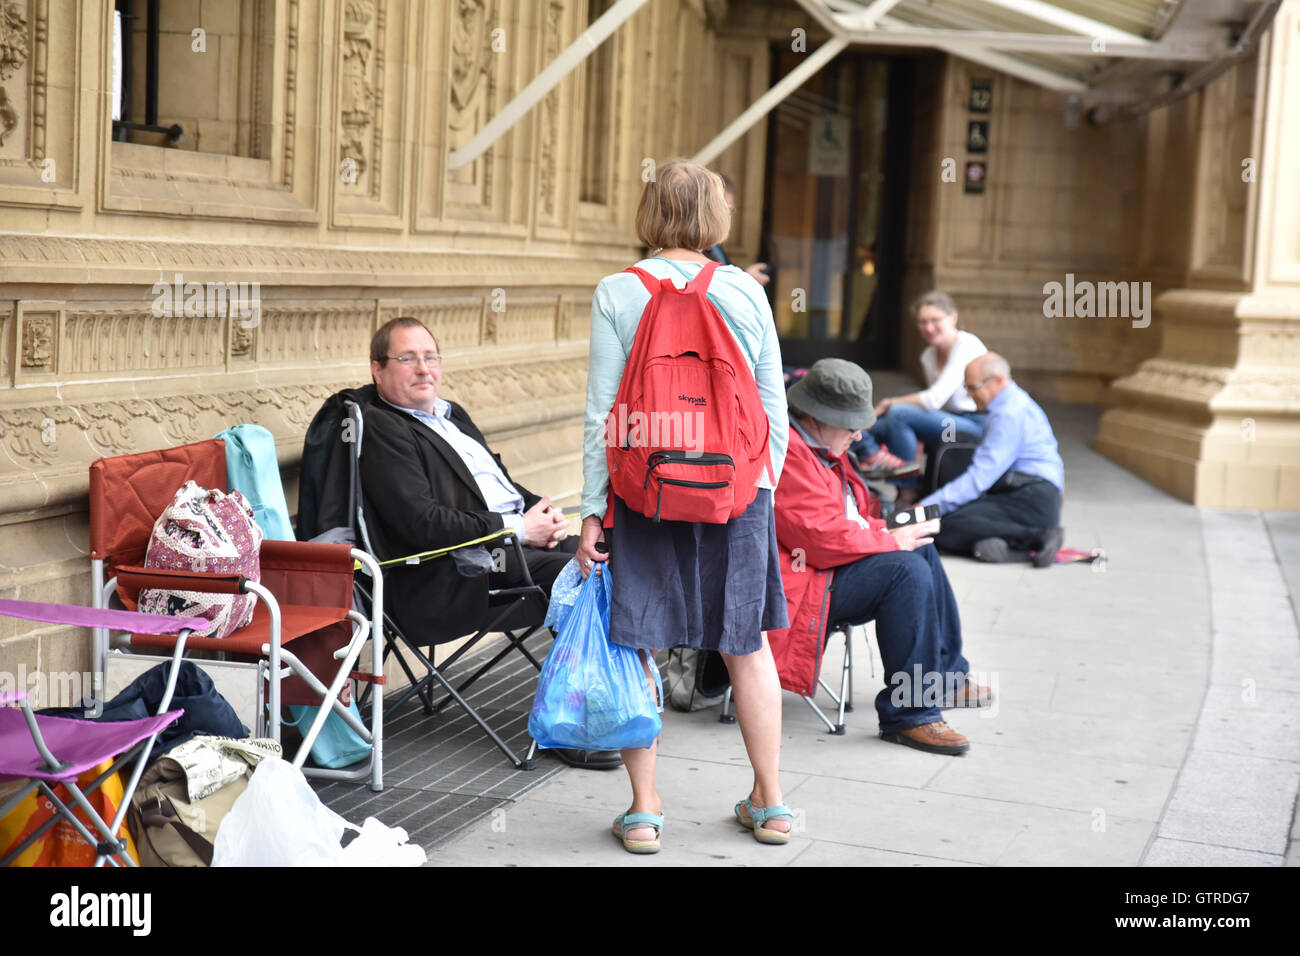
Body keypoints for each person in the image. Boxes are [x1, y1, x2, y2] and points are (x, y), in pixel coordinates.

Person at [577, 160, 792, 854]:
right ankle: (774, 802)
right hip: (737, 492)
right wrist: (761, 486)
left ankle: (644, 811)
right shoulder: (744, 291)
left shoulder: (618, 290)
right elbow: (773, 406)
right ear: (713, 217)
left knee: (639, 639)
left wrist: (592, 509)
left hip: (647, 493)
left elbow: (603, 415)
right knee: (745, 646)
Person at [359, 316, 621, 770]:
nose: (423, 369)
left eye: (430, 357)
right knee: (586, 575)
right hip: (446, 572)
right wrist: (518, 528)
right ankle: (566, 724)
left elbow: (494, 484)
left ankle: (614, 701)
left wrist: (539, 508)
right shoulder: (383, 428)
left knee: (611, 557)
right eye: (407, 359)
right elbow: (422, 524)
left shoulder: (451, 414)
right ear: (377, 370)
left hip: (508, 546)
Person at [772, 359, 990, 757]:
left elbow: (847, 520)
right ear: (816, 416)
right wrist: (889, 539)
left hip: (828, 567)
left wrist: (890, 532)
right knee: (904, 570)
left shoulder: (820, 444)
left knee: (920, 544)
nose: (858, 435)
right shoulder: (790, 450)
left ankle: (943, 677)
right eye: (850, 424)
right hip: (805, 582)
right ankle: (911, 714)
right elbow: (820, 538)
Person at [920, 353, 1065, 568]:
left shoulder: (1008, 414)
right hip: (1031, 495)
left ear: (998, 380)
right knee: (952, 520)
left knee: (943, 527)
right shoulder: (1013, 404)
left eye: (972, 387)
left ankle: (1040, 536)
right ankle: (999, 545)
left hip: (1032, 499)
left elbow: (977, 480)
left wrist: (922, 510)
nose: (968, 395)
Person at [860, 291, 989, 482]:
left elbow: (933, 399)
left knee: (899, 413)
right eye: (922, 322)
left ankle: (907, 489)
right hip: (948, 420)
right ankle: (867, 464)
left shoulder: (967, 346)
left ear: (952, 318)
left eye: (935, 320)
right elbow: (935, 405)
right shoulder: (928, 355)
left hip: (976, 424)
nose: (928, 327)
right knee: (873, 428)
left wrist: (889, 402)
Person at [704, 172, 771, 287]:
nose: (727, 214)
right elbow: (712, 283)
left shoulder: (715, 243)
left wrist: (745, 275)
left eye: (729, 208)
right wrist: (745, 277)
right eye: (723, 207)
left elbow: (724, 272)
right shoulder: (695, 244)